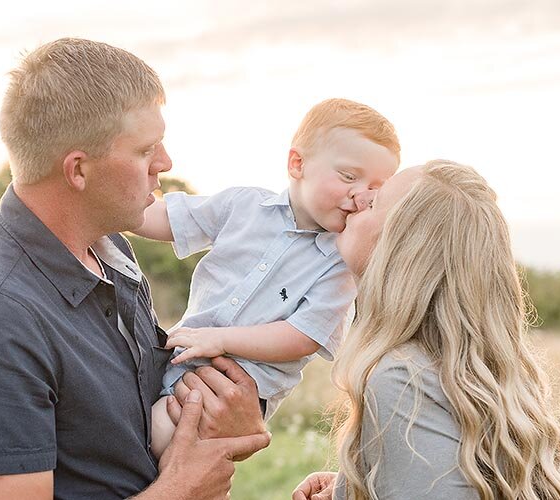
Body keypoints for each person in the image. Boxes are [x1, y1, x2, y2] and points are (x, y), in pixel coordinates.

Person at [0, 37, 270, 500]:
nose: (165, 163)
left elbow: (129, 436)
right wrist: (181, 492)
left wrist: (226, 420)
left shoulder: (110, 252)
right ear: (78, 170)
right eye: (146, 151)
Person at [292, 161, 560, 500]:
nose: (356, 198)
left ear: (399, 248)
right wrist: (354, 487)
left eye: (373, 202)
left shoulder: (400, 380)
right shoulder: (463, 372)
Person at [131, 98, 400, 458]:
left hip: (234, 389)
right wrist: (108, 214)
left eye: (376, 188)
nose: (360, 195)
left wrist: (221, 339)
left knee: (155, 437)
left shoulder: (340, 264)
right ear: (297, 164)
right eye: (349, 176)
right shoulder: (243, 206)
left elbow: (302, 336)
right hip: (180, 360)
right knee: (120, 418)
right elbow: (164, 219)